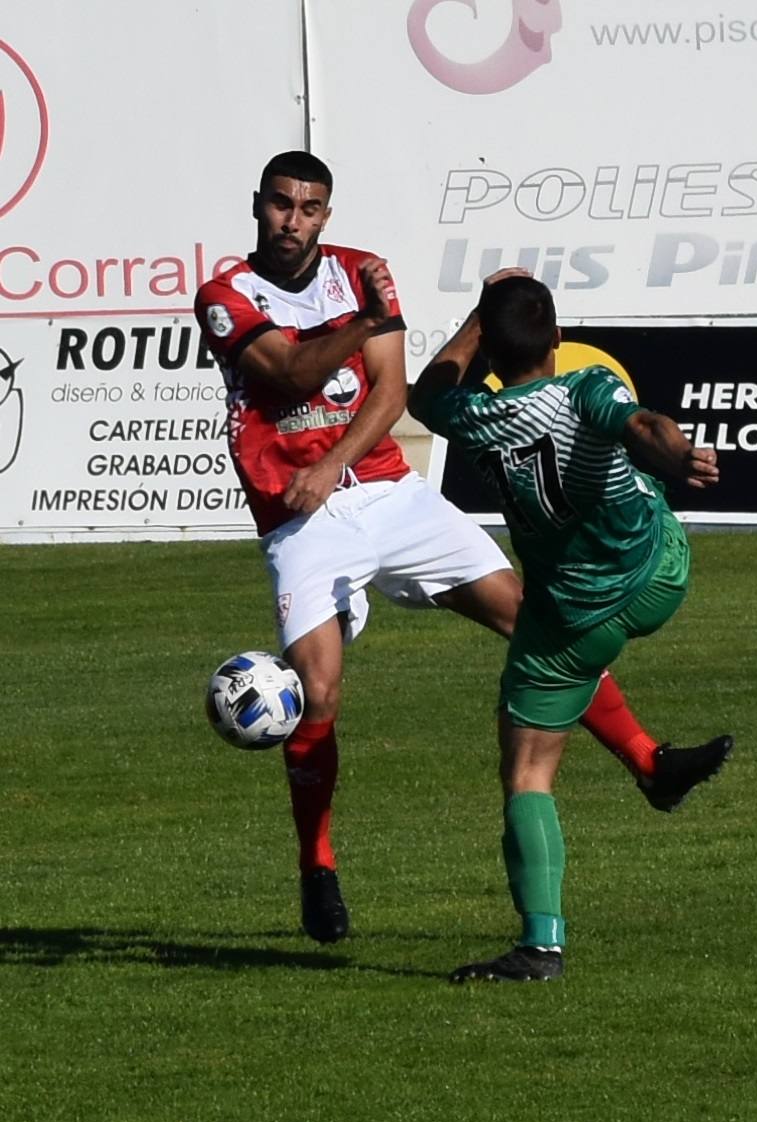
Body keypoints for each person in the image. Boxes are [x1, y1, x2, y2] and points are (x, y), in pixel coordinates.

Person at [195, 152, 706, 949]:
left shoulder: (362, 269)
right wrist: (362, 330)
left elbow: (396, 394)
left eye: (310, 208)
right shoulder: (224, 295)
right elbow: (291, 372)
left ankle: (650, 763)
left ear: (327, 215)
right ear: (257, 205)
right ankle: (317, 867)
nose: (293, 221)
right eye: (281, 205)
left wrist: (485, 307)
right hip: (299, 519)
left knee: (536, 619)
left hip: (390, 494)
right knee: (319, 691)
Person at [409, 272, 733, 982]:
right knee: (634, 491)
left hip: (571, 619)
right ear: (558, 338)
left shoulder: (474, 417)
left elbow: (425, 394)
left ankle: (540, 945)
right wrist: (679, 458)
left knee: (528, 769)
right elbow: (643, 427)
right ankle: (654, 767)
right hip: (658, 580)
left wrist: (476, 320)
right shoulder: (584, 389)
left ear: (491, 350)